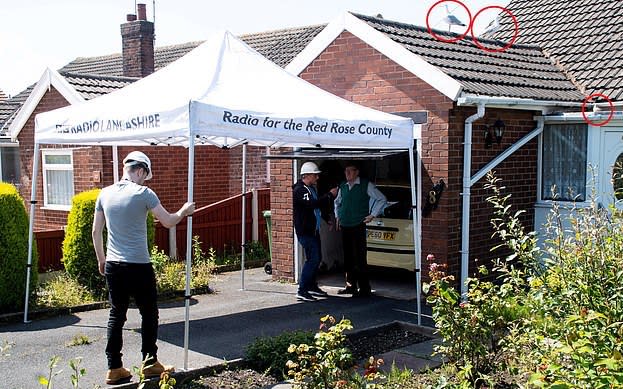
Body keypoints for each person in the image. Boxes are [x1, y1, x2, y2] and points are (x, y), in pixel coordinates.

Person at [92, 151, 195, 385]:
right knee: (149, 313)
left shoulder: (104, 194)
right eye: (145, 175)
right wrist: (184, 211)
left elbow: (96, 231)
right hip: (139, 265)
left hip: (113, 265)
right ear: (140, 170)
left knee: (116, 314)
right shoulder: (144, 193)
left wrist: (102, 259)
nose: (145, 180)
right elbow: (168, 221)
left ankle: (114, 368)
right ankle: (150, 364)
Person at [334, 161, 386, 297]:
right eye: (346, 171)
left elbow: (381, 199)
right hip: (345, 224)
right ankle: (350, 285)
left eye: (350, 171)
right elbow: (337, 202)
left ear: (357, 172)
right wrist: (337, 216)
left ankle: (364, 288)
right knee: (348, 256)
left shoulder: (365, 184)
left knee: (360, 257)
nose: (347, 174)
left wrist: (372, 215)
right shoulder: (343, 186)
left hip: (358, 224)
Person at [292, 161, 338, 302]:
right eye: (315, 175)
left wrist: (325, 218)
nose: (317, 178)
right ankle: (302, 289)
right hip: (306, 231)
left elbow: (316, 208)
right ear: (307, 175)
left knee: (316, 259)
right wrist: (329, 196)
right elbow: (311, 204)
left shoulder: (311, 188)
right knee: (313, 259)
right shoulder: (300, 190)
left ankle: (311, 286)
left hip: (313, 230)